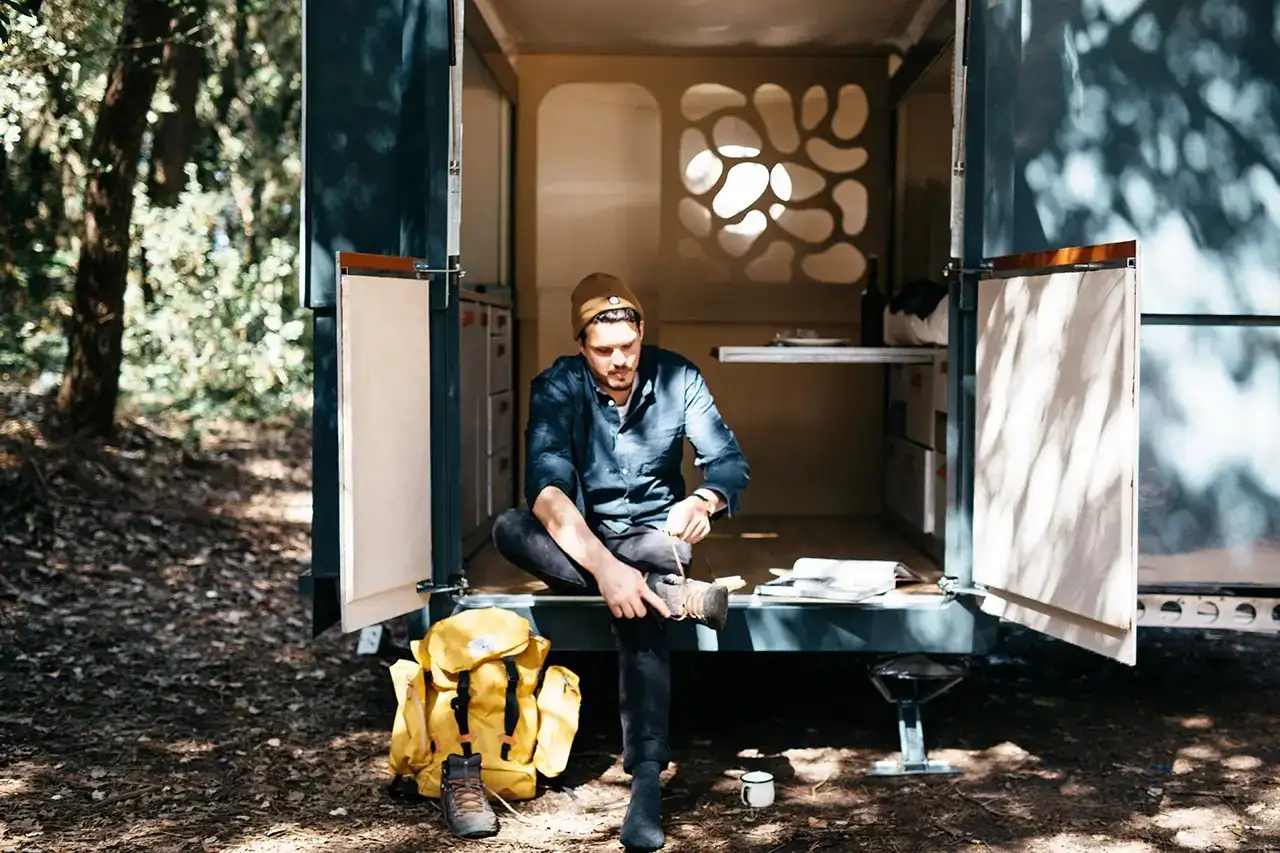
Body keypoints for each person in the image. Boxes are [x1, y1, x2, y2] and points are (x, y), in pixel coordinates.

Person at [489, 271, 750, 851]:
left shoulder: (679, 376)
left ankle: (648, 782)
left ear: (641, 334)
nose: (619, 361)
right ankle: (671, 594)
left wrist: (706, 498)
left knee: (657, 565)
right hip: (583, 536)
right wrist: (607, 571)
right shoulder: (556, 386)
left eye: (628, 347)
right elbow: (548, 492)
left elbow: (728, 461)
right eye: (604, 351)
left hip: (655, 536)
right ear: (581, 346)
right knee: (511, 528)